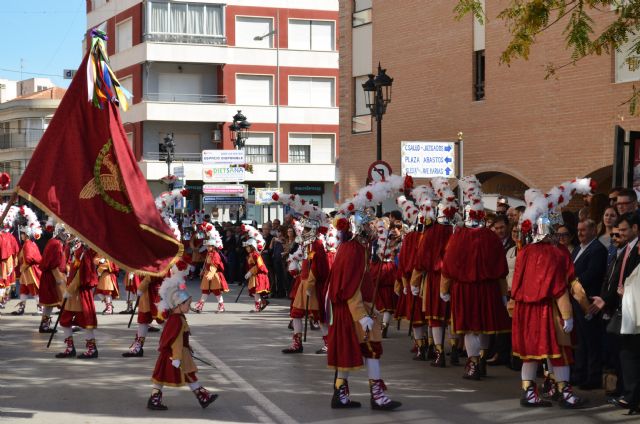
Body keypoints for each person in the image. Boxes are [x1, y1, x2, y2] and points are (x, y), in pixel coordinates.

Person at [511, 179, 592, 409]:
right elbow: (564, 286)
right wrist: (573, 313)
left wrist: (512, 307)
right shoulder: (558, 253)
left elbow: (515, 284)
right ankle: (564, 393)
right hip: (551, 310)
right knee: (560, 353)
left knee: (530, 354)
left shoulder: (525, 252)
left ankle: (529, 392)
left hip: (526, 311)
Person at [327, 208, 401, 411]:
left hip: (352, 309)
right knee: (372, 349)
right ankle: (377, 396)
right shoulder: (354, 250)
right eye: (368, 225)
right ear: (359, 227)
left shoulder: (354, 247)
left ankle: (340, 394)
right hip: (355, 309)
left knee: (349, 351)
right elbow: (350, 286)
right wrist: (361, 316)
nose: (373, 229)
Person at [441, 175, 511, 380]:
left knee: (472, 328)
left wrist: (444, 290)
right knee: (485, 327)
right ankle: (480, 360)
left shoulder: (459, 236)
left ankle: (472, 364)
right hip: (488, 288)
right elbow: (501, 270)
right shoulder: (491, 237)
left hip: (465, 289)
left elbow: (448, 266)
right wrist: (502, 293)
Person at [148, 271, 218, 410]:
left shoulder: (177, 318)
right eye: (187, 304)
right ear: (178, 305)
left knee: (167, 376)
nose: (189, 307)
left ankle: (202, 396)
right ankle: (202, 396)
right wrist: (177, 357)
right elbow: (176, 340)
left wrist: (188, 347)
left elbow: (179, 338)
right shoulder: (177, 320)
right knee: (183, 374)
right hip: (176, 353)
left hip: (176, 352)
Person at [571, 219, 608, 390]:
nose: (580, 233)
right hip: (576, 299)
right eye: (578, 230)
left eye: (583, 230)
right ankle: (579, 373)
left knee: (591, 340)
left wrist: (572, 282)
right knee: (581, 340)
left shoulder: (598, 249)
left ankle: (592, 377)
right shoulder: (578, 248)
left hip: (589, 301)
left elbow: (592, 273)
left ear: (593, 230)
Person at [56, 243, 99, 359]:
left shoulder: (84, 253)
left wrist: (69, 290)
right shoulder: (77, 251)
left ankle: (92, 349)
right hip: (73, 293)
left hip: (79, 294)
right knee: (65, 320)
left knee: (86, 322)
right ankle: (70, 348)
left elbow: (80, 276)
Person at [37, 223, 68, 333]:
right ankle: (68, 325)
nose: (67, 235)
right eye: (65, 232)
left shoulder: (55, 242)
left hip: (52, 276)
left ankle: (44, 325)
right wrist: (60, 282)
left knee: (49, 304)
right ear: (60, 232)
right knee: (64, 300)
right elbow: (54, 265)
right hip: (53, 277)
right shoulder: (56, 244)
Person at [194, 224, 228, 313]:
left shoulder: (216, 254)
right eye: (207, 246)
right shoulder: (209, 253)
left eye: (209, 246)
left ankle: (221, 306)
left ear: (213, 246)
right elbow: (206, 264)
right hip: (207, 274)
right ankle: (200, 306)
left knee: (216, 291)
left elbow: (215, 265)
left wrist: (210, 273)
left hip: (214, 274)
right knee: (205, 290)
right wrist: (203, 271)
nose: (208, 247)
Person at [12, 226, 42, 316]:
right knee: (23, 290)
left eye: (22, 234)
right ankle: (21, 308)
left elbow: (29, 259)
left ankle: (41, 308)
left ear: (27, 235)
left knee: (34, 290)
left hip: (29, 271)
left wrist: (22, 267)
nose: (21, 235)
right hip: (26, 271)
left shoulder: (28, 244)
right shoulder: (29, 243)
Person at [242, 225, 270, 312]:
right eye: (246, 247)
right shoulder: (250, 254)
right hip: (254, 275)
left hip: (259, 275)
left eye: (248, 247)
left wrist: (250, 272)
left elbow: (259, 266)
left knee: (256, 292)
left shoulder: (256, 254)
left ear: (252, 246)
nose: (246, 248)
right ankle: (263, 302)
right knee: (254, 291)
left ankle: (257, 308)